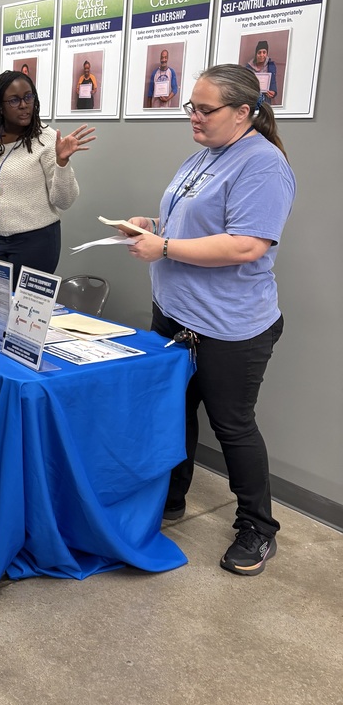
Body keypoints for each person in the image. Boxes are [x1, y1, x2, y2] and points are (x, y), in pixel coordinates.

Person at [123, 63, 295, 576]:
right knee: (174, 413)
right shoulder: (205, 157)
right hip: (177, 315)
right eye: (190, 107)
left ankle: (258, 528)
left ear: (244, 112)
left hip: (229, 327)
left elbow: (246, 244)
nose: (193, 117)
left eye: (204, 109)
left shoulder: (263, 165)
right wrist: (151, 226)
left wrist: (167, 246)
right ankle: (170, 499)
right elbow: (193, 222)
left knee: (233, 426)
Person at [0, 69, 96, 286]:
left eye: (28, 97)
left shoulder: (47, 139)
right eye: (14, 100)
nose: (24, 105)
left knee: (25, 314)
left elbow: (64, 201)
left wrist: (62, 163)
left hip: (36, 243)